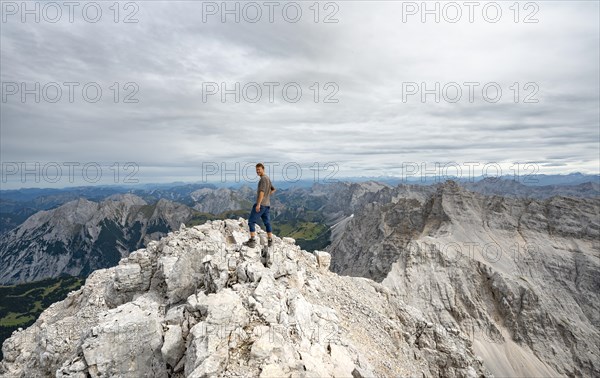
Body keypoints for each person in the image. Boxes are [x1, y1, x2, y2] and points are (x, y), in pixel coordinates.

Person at [243, 163, 276, 248]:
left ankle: (252, 241)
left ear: (263, 169)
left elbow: (261, 192)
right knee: (267, 223)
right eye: (256, 170)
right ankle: (270, 240)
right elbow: (273, 189)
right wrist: (267, 196)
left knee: (251, 221)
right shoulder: (267, 178)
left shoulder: (263, 179)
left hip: (261, 205)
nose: (257, 171)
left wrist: (258, 204)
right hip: (267, 205)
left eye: (259, 169)